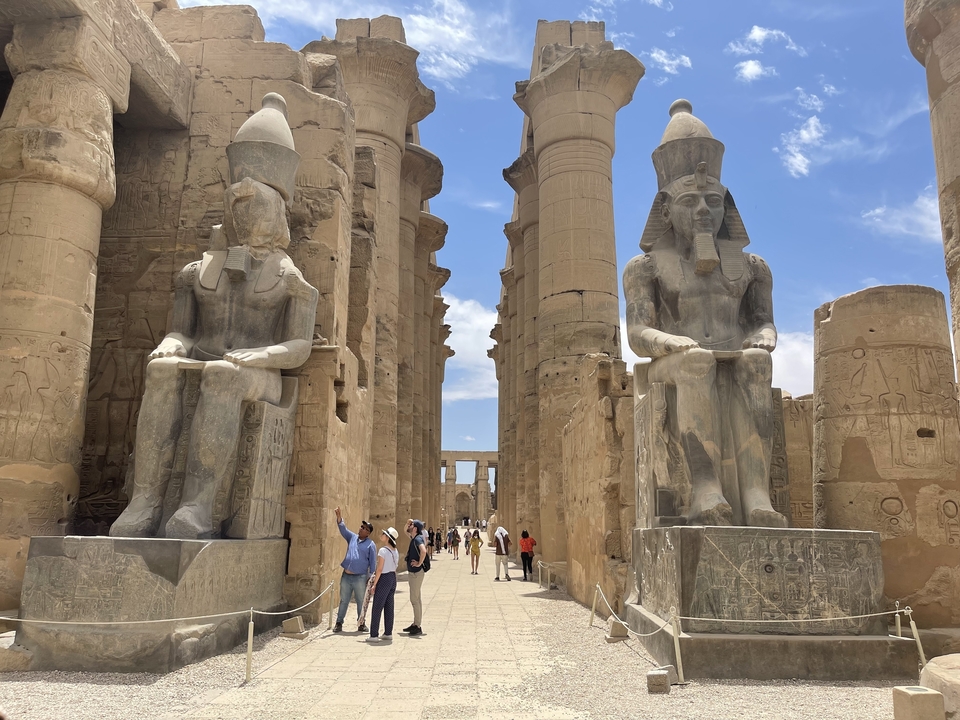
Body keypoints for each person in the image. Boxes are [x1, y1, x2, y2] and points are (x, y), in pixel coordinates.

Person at [110, 94, 319, 540]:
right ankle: (144, 501)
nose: (244, 215)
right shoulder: (196, 271)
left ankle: (197, 505)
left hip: (260, 373)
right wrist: (173, 343)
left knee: (223, 376)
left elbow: (299, 347)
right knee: (161, 370)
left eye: (254, 206)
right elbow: (181, 331)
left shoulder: (290, 278)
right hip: (209, 355)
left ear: (275, 213)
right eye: (237, 206)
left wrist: (262, 356)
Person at [622, 99, 787, 528]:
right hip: (671, 362)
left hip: (729, 353)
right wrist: (670, 342)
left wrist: (765, 335)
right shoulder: (646, 267)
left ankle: (756, 494)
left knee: (756, 362)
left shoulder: (752, 266)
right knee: (697, 363)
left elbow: (763, 320)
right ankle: (704, 488)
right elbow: (637, 332)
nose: (702, 212)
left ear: (726, 208)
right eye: (689, 201)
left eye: (712, 201)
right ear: (664, 209)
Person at [333, 507, 377, 633]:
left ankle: (361, 623)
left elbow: (372, 563)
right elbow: (343, 529)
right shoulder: (352, 537)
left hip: (360, 577)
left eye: (364, 528)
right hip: (346, 576)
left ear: (368, 533)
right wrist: (339, 517)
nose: (361, 528)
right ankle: (339, 623)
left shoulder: (370, 545)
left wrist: (370, 579)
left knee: (360, 601)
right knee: (344, 600)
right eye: (361, 526)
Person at [367, 527, 400, 642]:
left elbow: (380, 569)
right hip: (392, 577)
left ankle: (374, 635)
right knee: (389, 606)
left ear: (387, 537)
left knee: (377, 606)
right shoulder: (395, 551)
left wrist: (374, 584)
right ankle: (388, 632)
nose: (381, 535)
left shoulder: (383, 551)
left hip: (384, 578)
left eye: (383, 534)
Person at [403, 518, 427, 636]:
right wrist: (407, 523)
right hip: (414, 573)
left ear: (415, 528)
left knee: (415, 599)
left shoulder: (417, 539)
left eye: (412, 525)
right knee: (417, 598)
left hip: (416, 573)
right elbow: (404, 531)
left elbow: (423, 551)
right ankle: (416, 623)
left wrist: (419, 563)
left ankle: (417, 626)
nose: (409, 526)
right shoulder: (414, 538)